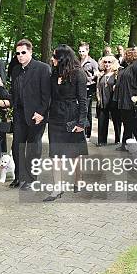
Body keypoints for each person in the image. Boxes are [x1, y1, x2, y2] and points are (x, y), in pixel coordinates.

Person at [45, 45, 89, 201]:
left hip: (72, 116)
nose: (52, 59)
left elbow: (83, 101)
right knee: (55, 154)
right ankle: (57, 189)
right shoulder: (53, 73)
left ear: (63, 58)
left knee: (74, 154)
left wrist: (81, 123)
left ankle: (79, 179)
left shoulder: (78, 74)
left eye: (54, 56)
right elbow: (48, 97)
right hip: (55, 117)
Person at [10, 39, 51, 190]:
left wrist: (41, 113)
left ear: (30, 52)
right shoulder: (15, 70)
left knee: (34, 147)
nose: (20, 56)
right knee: (17, 146)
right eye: (18, 53)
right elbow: (14, 92)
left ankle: (31, 178)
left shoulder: (43, 68)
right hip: (19, 114)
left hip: (36, 115)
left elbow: (47, 94)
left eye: (23, 53)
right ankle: (19, 176)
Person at [114, 47, 137, 148]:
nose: (124, 56)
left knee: (135, 123)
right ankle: (126, 144)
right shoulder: (129, 66)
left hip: (132, 98)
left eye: (126, 54)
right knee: (127, 123)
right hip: (125, 98)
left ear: (130, 55)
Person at [96, 55, 121, 146]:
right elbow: (98, 88)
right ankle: (101, 141)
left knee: (116, 121)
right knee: (102, 121)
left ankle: (118, 139)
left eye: (109, 62)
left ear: (113, 63)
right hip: (103, 101)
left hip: (113, 101)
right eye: (105, 62)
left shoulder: (117, 74)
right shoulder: (101, 75)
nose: (107, 64)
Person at [78, 42, 99, 141]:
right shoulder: (77, 61)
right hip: (78, 88)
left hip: (88, 88)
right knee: (80, 109)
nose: (81, 53)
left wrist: (91, 78)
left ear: (87, 51)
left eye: (83, 51)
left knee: (86, 110)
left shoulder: (92, 62)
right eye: (80, 51)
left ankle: (87, 133)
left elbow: (97, 74)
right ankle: (81, 130)